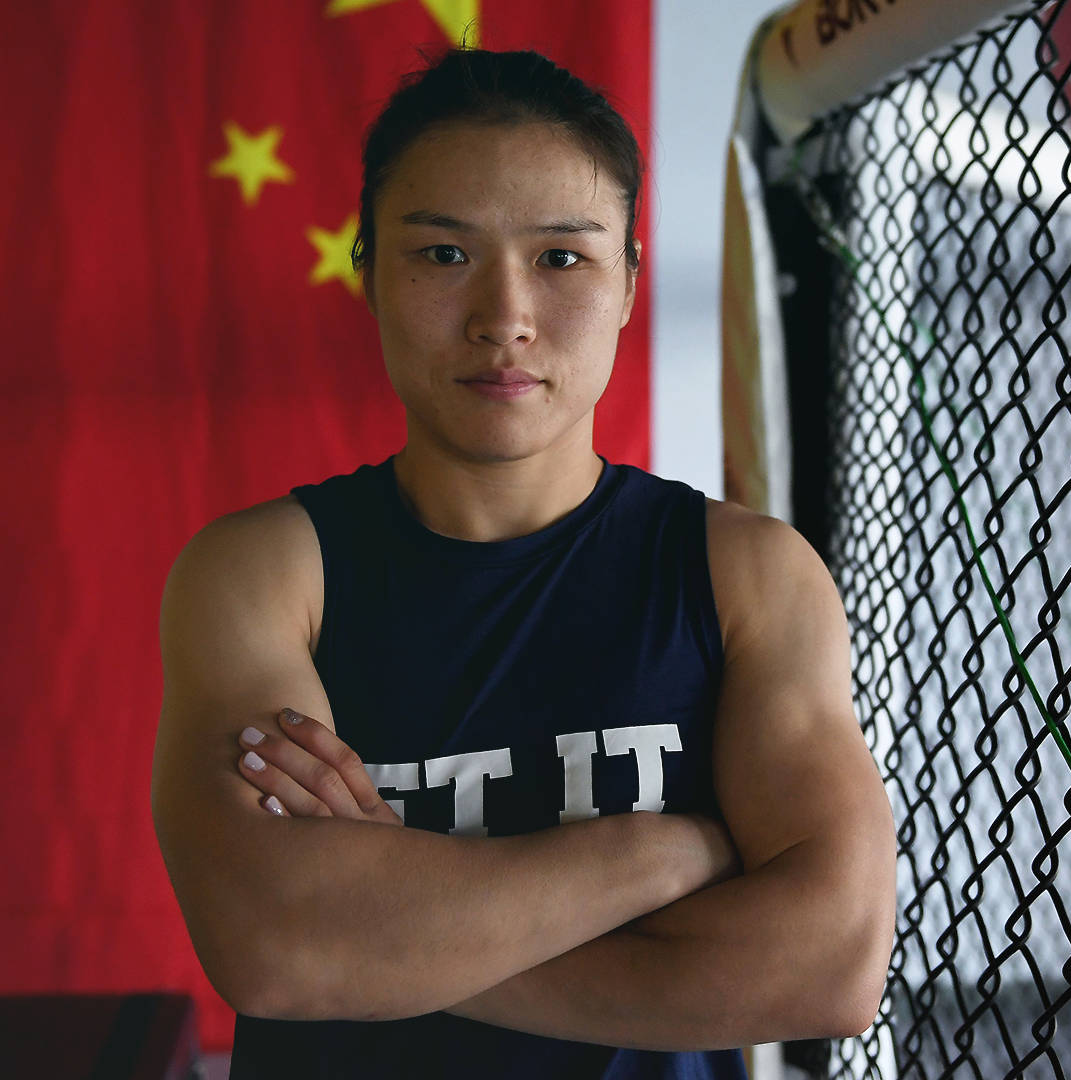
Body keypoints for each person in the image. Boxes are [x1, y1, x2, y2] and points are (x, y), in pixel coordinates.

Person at [151, 47, 896, 1079]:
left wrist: (379, 942)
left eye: (561, 257)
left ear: (631, 280)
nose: (504, 315)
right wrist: (665, 853)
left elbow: (828, 969)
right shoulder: (265, 574)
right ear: (369, 270)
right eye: (444, 254)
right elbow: (275, 949)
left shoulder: (745, 577)